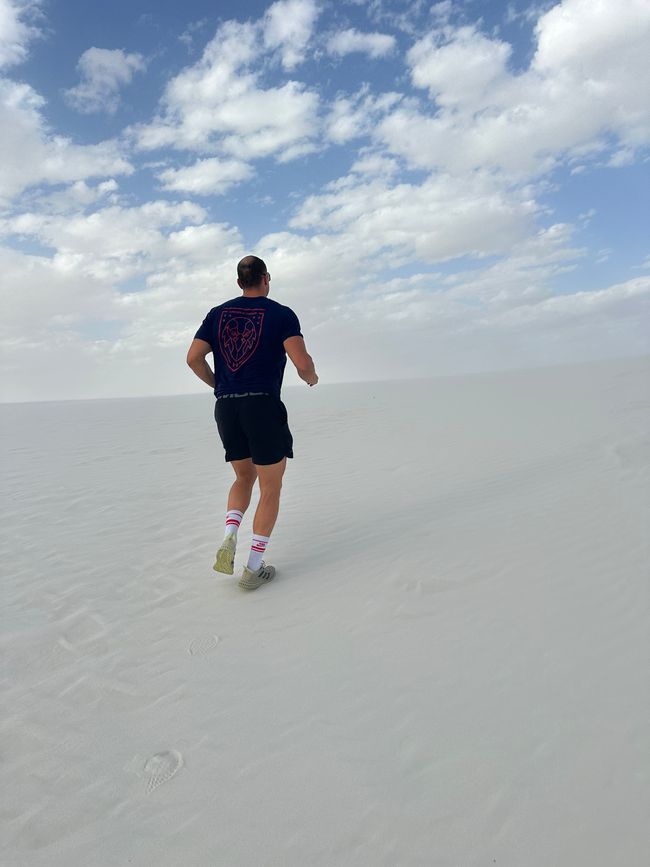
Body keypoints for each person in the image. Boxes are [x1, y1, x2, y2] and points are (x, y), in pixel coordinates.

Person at [186, 255, 318, 591]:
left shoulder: (216, 315)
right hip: (262, 405)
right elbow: (300, 360)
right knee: (270, 486)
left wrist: (219, 385)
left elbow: (193, 358)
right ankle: (253, 568)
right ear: (266, 278)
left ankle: (230, 535)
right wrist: (310, 375)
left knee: (243, 478)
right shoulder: (281, 314)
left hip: (226, 408)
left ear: (239, 282)